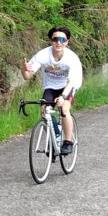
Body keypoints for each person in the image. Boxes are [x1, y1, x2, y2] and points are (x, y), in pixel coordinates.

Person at [21, 26, 83, 155]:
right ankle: (55, 135)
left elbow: (71, 81)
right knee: (44, 111)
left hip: (69, 85)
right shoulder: (43, 55)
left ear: (67, 42)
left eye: (62, 39)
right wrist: (24, 69)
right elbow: (27, 76)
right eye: (55, 39)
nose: (58, 42)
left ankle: (68, 142)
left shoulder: (72, 58)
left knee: (64, 109)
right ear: (51, 40)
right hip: (50, 86)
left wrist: (63, 97)